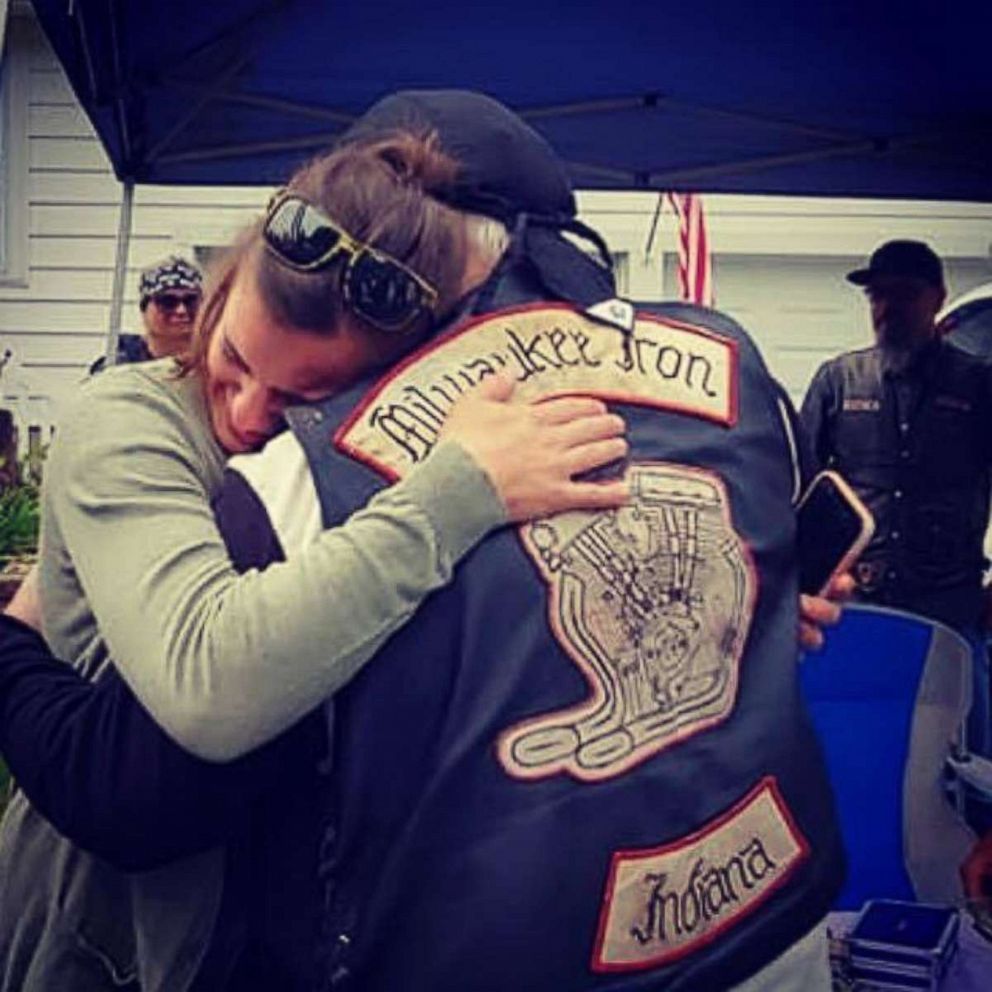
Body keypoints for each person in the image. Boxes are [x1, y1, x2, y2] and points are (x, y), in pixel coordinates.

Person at [0, 91, 845, 991]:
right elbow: (144, 776)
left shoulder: (389, 447)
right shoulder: (166, 425)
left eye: (297, 398)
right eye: (237, 361)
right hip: (114, 916)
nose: (250, 415)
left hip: (293, 905)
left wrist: (749, 612)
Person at [801, 238, 992, 913]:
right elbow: (800, 492)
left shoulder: (978, 384)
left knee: (956, 755)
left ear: (937, 298)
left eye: (902, 293)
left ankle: (964, 880)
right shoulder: (836, 380)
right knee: (853, 753)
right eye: (876, 294)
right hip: (857, 613)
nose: (886, 307)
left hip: (948, 607)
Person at [89, 255, 204, 372]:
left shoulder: (216, 362)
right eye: (167, 301)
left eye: (191, 301)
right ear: (144, 309)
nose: (181, 310)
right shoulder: (117, 367)